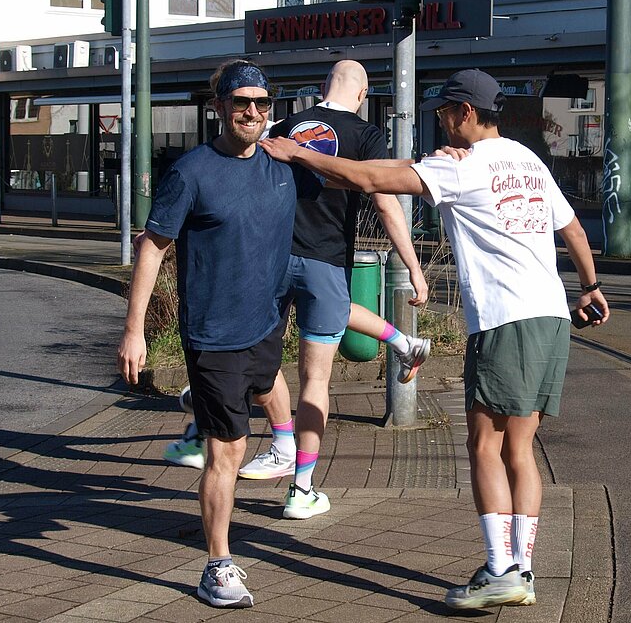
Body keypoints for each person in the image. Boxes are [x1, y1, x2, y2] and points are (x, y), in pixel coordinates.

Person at [260, 68, 608, 609]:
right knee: (520, 448)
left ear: (466, 113)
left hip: (504, 321)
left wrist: (300, 154)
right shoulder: (527, 160)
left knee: (483, 446)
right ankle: (524, 570)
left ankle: (500, 570)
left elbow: (370, 181)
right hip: (550, 319)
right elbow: (575, 231)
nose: (441, 122)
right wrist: (589, 288)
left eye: (445, 112)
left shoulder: (462, 170)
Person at [164, 60, 432, 523]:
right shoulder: (364, 135)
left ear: (322, 87)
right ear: (364, 95)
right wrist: (413, 266)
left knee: (259, 357)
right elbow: (386, 203)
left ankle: (258, 434)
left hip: (274, 259)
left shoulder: (281, 127)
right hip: (325, 261)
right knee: (316, 381)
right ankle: (301, 488)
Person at [118, 58, 322, 609]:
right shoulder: (192, 172)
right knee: (226, 452)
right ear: (220, 108)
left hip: (264, 326)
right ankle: (218, 566)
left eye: (261, 104)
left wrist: (439, 161)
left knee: (270, 382)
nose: (251, 113)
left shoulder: (285, 166)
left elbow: (362, 173)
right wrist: (135, 331)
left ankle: (282, 453)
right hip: (213, 335)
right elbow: (152, 248)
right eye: (241, 103)